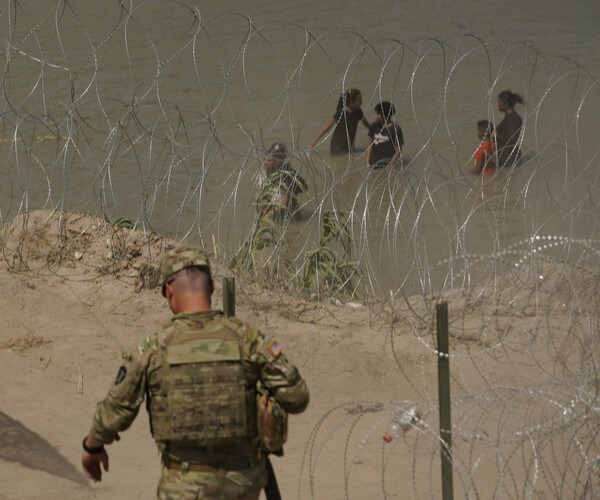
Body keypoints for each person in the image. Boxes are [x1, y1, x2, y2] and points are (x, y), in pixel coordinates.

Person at [81, 245, 310, 499]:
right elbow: (297, 397)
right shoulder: (249, 339)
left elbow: (117, 409)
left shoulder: (153, 347)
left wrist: (92, 447)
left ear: (169, 291)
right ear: (211, 286)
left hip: (183, 488)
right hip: (242, 485)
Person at [309, 88, 370, 155]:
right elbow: (328, 127)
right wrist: (314, 142)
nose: (361, 102)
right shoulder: (342, 113)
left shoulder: (358, 112)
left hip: (349, 145)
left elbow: (366, 124)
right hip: (337, 145)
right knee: (338, 160)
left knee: (347, 158)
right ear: (351, 102)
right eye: (359, 100)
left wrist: (375, 131)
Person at [258, 142, 307, 219]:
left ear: (283, 157)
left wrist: (269, 214)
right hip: (277, 211)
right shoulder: (272, 170)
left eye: (278, 157)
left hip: (289, 216)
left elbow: (285, 200)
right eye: (273, 156)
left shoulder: (289, 175)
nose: (274, 159)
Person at [366, 101, 404, 169]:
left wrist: (389, 165)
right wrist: (367, 162)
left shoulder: (396, 129)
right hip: (373, 163)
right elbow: (370, 144)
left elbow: (399, 150)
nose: (375, 116)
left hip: (387, 164)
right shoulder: (374, 126)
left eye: (378, 114)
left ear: (385, 115)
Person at [495, 90, 524, 167]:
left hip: (508, 159)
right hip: (508, 157)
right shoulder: (511, 117)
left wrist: (496, 136)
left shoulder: (513, 119)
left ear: (506, 104)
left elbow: (512, 140)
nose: (497, 104)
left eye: (499, 102)